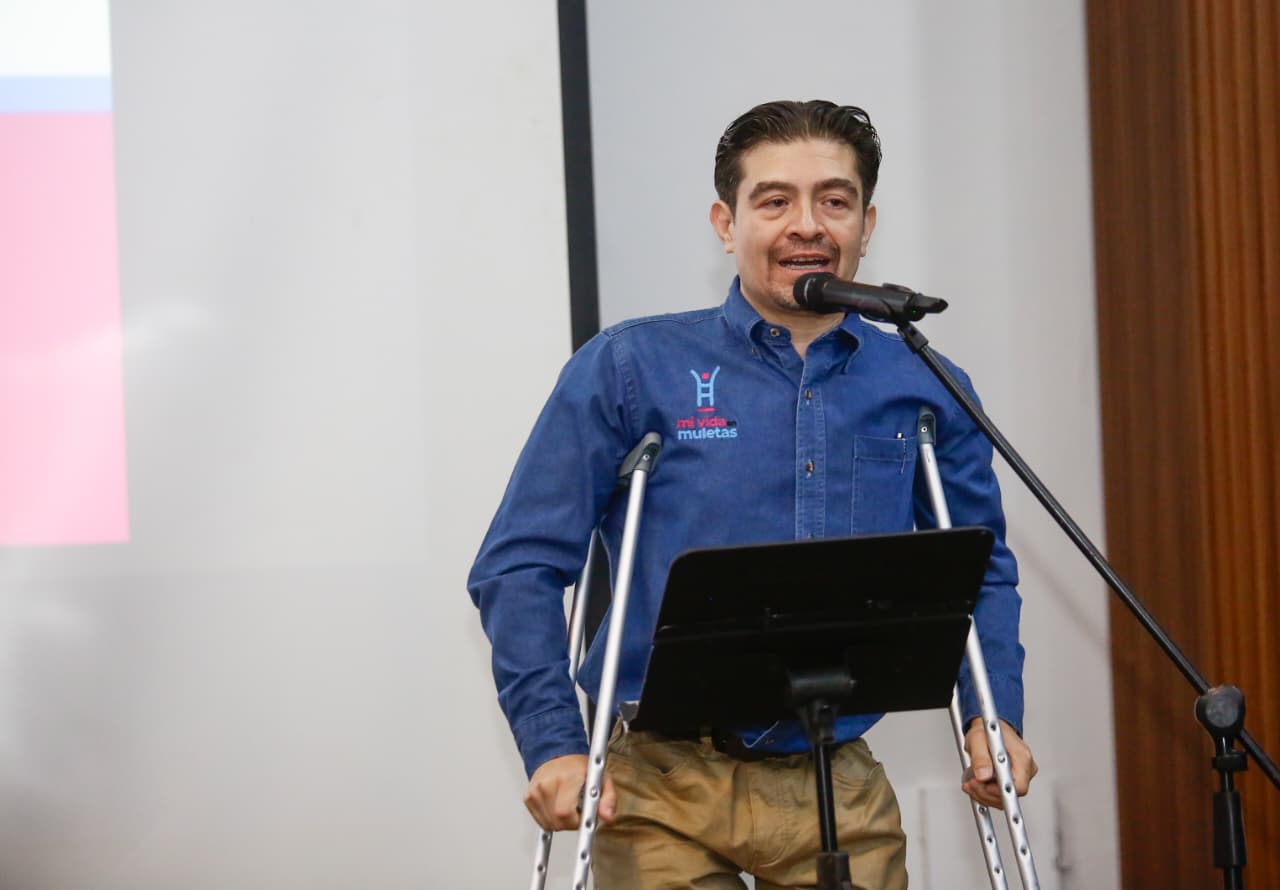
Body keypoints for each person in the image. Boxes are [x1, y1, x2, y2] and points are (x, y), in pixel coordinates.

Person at [468, 99, 1036, 889]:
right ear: (725, 223)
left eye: (834, 201)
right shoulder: (631, 368)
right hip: (658, 785)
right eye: (774, 201)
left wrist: (991, 713)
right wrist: (554, 744)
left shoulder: (923, 381)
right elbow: (520, 565)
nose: (807, 225)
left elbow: (981, 567)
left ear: (867, 224)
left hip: (839, 779)